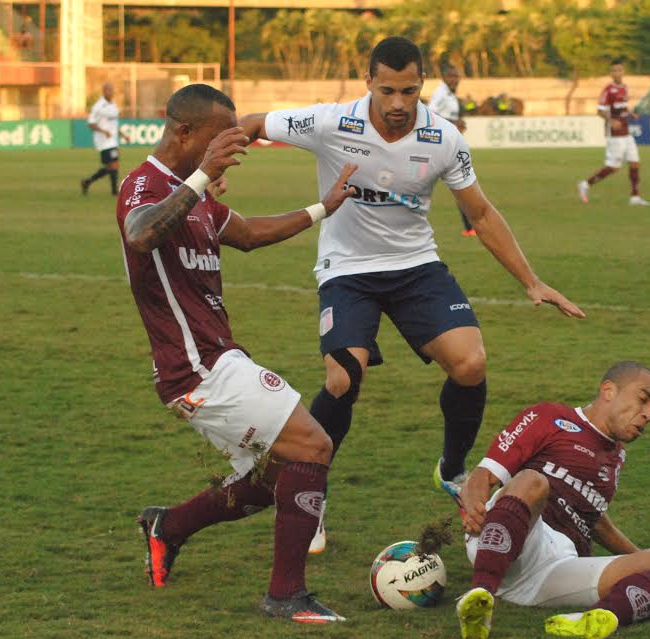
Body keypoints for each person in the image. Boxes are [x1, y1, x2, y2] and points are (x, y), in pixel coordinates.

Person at [240, 36, 585, 554]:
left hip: (416, 266)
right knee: (342, 376)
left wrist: (530, 281)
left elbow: (482, 213)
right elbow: (250, 123)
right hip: (348, 269)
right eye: (387, 91)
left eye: (409, 90)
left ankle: (451, 468)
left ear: (421, 83)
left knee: (470, 364)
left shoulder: (444, 138)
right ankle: (312, 497)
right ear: (368, 82)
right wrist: (201, 177)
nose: (399, 103)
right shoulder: (331, 122)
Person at [117, 83, 359, 623]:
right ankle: (285, 596)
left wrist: (325, 207)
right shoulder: (146, 184)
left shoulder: (196, 194)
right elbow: (140, 235)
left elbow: (248, 234)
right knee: (312, 446)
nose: (231, 146)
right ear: (184, 131)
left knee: (278, 479)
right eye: (219, 138)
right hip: (195, 367)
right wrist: (203, 175)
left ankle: (169, 526)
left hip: (221, 357)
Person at [453, 361, 650, 639]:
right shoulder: (549, 418)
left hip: (555, 569)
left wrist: (640, 554)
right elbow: (482, 476)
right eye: (643, 400)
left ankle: (597, 618)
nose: (648, 414)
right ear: (608, 391)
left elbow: (593, 518)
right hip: (512, 541)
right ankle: (480, 594)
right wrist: (474, 508)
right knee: (533, 480)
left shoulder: (617, 457)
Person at [578, 59, 649, 206]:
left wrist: (631, 114)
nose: (617, 73)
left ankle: (634, 197)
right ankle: (585, 184)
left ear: (623, 72)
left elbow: (623, 106)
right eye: (614, 70)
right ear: (611, 73)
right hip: (614, 134)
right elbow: (600, 111)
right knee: (614, 167)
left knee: (635, 163)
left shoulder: (624, 87)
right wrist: (612, 121)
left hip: (626, 132)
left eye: (619, 70)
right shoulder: (608, 90)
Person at [427, 65, 475, 237]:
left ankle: (470, 227)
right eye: (451, 76)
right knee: (461, 184)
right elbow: (430, 114)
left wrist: (457, 123)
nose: (455, 80)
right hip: (438, 146)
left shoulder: (450, 94)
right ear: (445, 78)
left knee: (461, 184)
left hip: (449, 144)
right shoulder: (440, 93)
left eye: (457, 76)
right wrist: (453, 124)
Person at [81, 83, 127, 196]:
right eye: (109, 90)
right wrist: (103, 131)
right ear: (104, 91)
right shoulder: (98, 106)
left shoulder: (113, 105)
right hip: (104, 142)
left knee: (112, 166)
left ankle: (87, 181)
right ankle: (114, 192)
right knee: (113, 166)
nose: (111, 93)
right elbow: (91, 124)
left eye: (112, 90)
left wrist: (123, 134)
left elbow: (114, 124)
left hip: (113, 140)